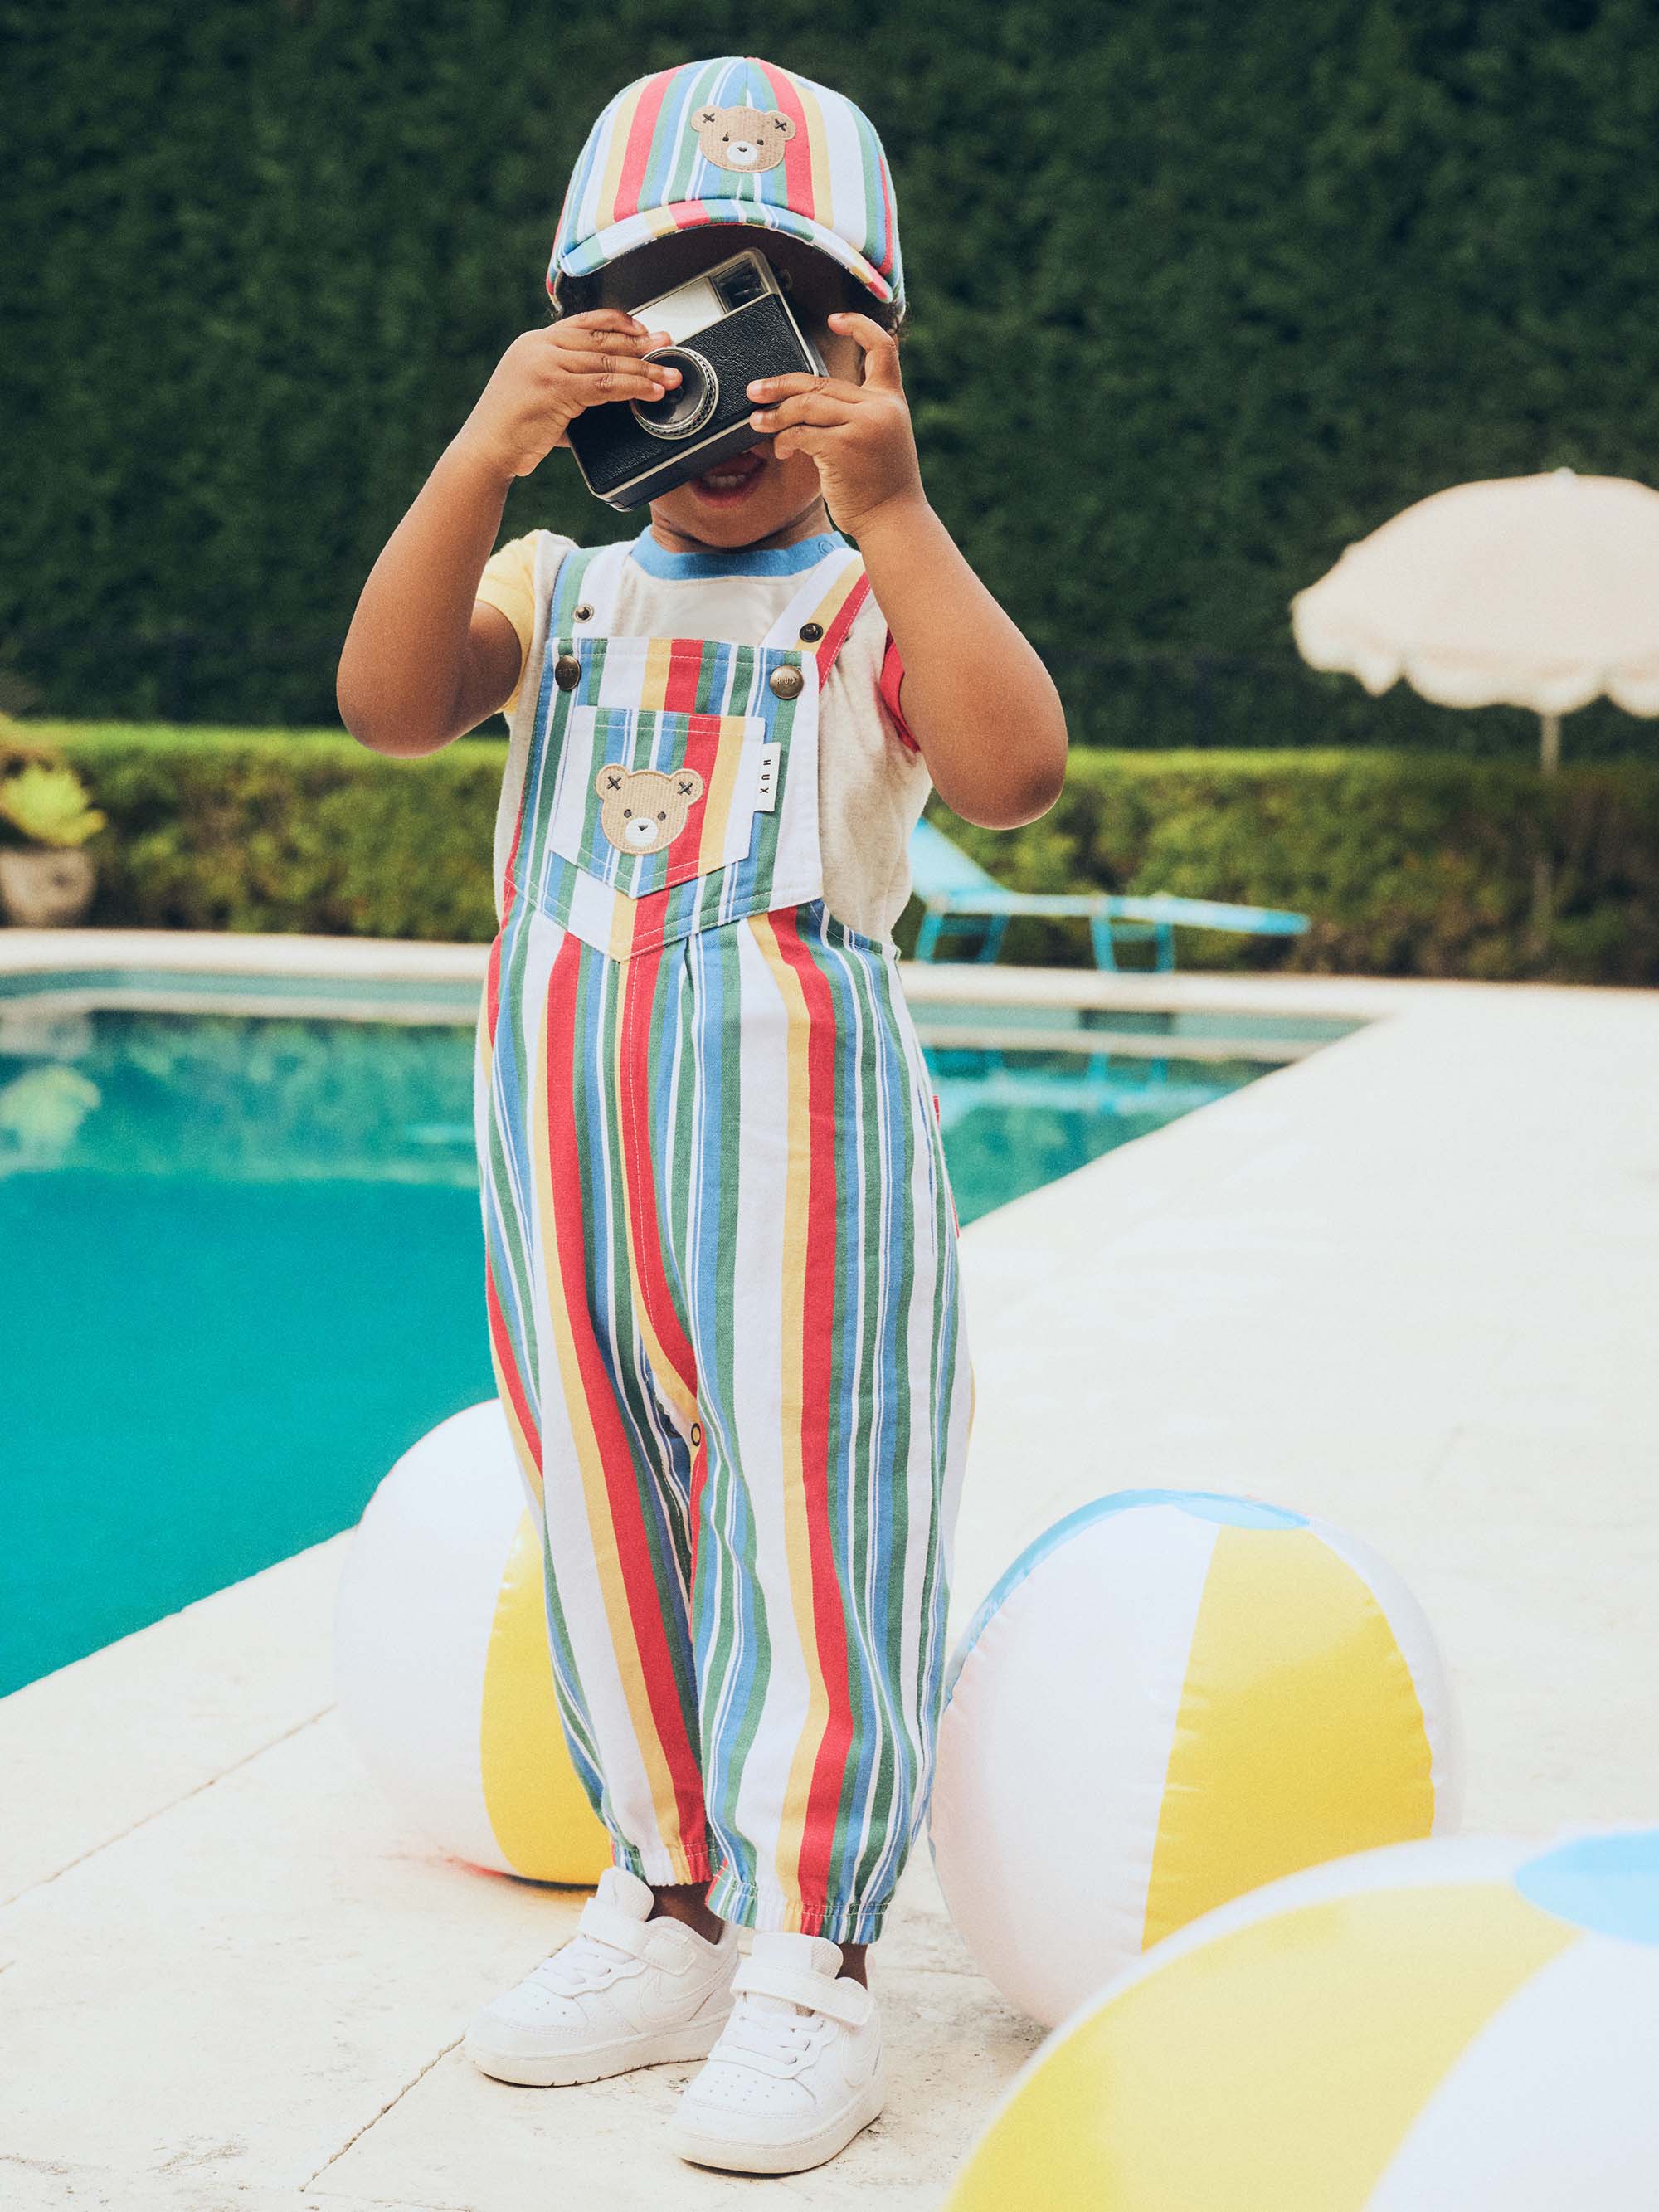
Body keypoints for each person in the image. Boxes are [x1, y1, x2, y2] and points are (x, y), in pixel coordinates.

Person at [337, 55, 1066, 2178]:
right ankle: (664, 1895)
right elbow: (388, 705)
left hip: (805, 1184)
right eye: (662, 326)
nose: (719, 394)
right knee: (603, 1519)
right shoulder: (554, 589)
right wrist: (478, 454)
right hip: (565, 1168)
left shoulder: (870, 600)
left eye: (776, 327)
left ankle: (812, 1954)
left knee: (815, 1533)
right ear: (584, 344)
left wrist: (898, 509)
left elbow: (1013, 773)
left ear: (859, 353)